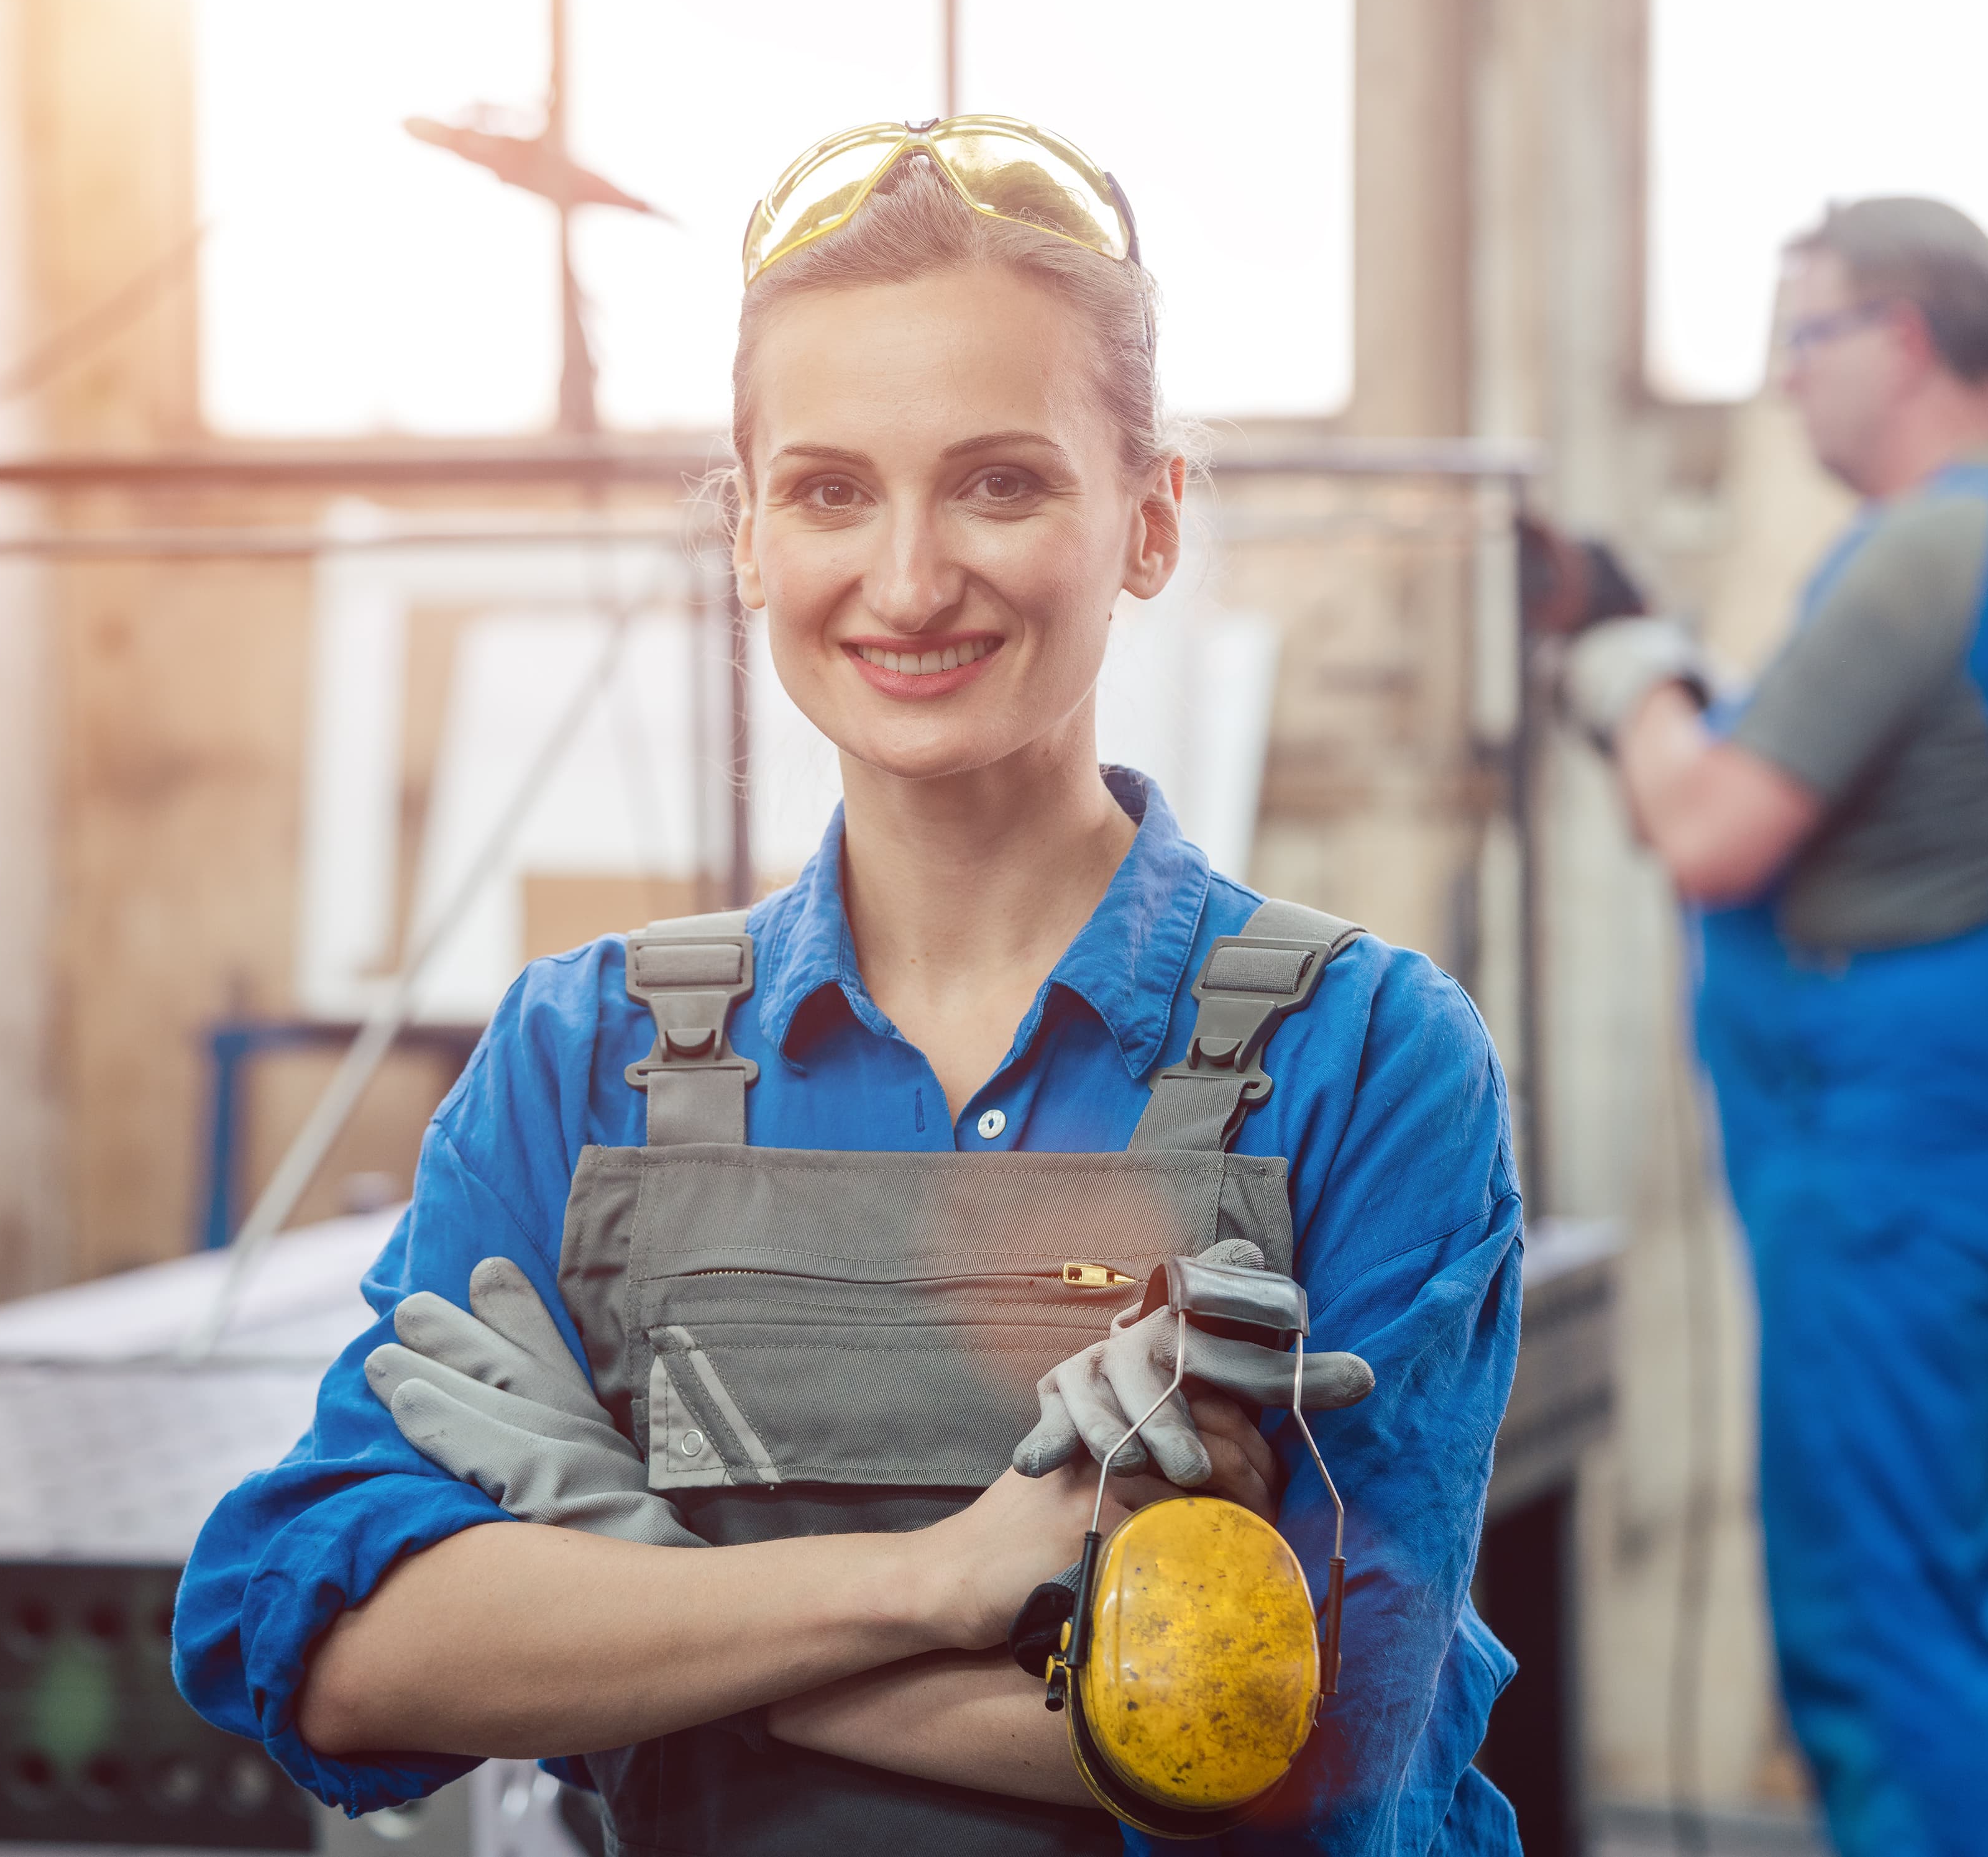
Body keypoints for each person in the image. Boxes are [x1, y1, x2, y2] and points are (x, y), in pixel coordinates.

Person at [176, 117, 1526, 1855]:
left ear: (1149, 517)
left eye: (1000, 481)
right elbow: (319, 1641)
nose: (905, 580)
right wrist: (940, 1579)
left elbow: (1318, 1748)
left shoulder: (1362, 1058)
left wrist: (629, 1594)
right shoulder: (579, 1059)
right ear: (746, 536)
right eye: (828, 490)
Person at [1556, 198, 1988, 1856]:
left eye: (1800, 338)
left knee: (1872, 1634)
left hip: (1903, 1148)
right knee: (1927, 1595)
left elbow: (1710, 829)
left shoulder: (1926, 545)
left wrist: (1617, 670)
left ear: (1895, 339)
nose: (1783, 383)